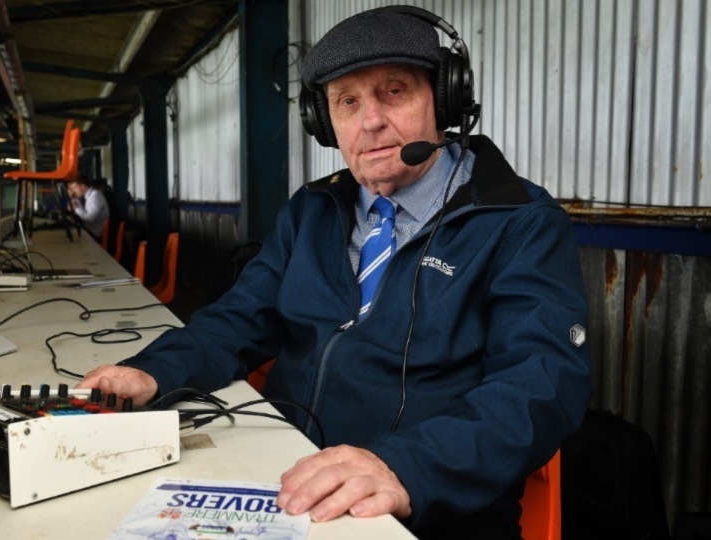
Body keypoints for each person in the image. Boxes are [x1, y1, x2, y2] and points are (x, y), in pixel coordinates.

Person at [78, 6, 592, 539]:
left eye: (394, 91)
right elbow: (238, 318)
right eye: (347, 102)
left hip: (424, 504)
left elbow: (541, 381)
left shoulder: (519, 221)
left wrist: (407, 467)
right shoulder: (311, 210)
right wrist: (154, 371)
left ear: (444, 99)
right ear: (324, 124)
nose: (370, 122)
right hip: (286, 477)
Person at [68, 176, 110, 240]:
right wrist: (74, 199)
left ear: (82, 186)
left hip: (96, 235)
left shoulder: (95, 196)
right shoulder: (90, 196)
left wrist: (76, 208)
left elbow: (90, 220)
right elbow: (84, 213)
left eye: (75, 187)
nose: (73, 191)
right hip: (90, 231)